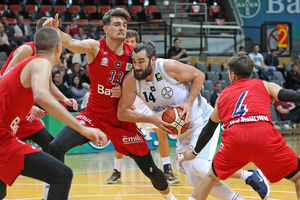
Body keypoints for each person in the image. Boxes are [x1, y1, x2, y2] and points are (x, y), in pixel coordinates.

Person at [44, 9, 177, 200]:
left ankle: (170, 197)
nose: (122, 28)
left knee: (152, 171)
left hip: (122, 121)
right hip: (93, 117)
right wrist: (57, 31)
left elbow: (146, 81)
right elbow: (72, 43)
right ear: (105, 29)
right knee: (56, 146)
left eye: (124, 25)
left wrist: (125, 92)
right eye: (117, 24)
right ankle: (52, 196)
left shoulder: (134, 55)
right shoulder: (95, 47)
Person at [117, 42, 270, 200]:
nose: (137, 66)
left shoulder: (167, 67)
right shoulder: (132, 80)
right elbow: (122, 113)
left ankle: (249, 175)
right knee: (195, 178)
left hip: (202, 121)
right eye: (134, 61)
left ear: (153, 60)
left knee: (199, 166)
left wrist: (188, 103)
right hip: (182, 132)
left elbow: (199, 75)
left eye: (141, 61)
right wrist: (151, 118)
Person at [0, 27, 107, 200]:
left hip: (6, 137)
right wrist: (82, 128)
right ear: (59, 47)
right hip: (3, 140)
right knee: (61, 175)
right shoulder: (39, 63)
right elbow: (41, 95)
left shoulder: (28, 65)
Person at [181, 52, 300, 200]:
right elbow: (291, 95)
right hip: (263, 136)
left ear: (232, 74)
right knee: (298, 176)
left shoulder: (222, 96)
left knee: (211, 177)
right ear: (250, 72)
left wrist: (195, 152)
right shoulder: (264, 84)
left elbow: (209, 128)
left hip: (235, 140)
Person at [107, 29, 179, 185]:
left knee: (161, 131)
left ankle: (168, 169)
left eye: (133, 41)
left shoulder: (143, 58)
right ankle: (116, 171)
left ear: (137, 43)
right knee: (122, 137)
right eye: (127, 41)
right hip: (130, 102)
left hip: (146, 101)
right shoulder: (121, 60)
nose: (130, 44)